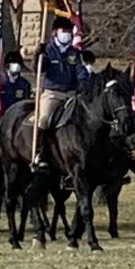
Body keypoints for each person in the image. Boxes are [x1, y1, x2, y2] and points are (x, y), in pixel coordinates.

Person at [34, 17, 88, 169]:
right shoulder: (48, 50)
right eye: (64, 31)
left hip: (71, 94)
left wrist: (83, 81)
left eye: (70, 32)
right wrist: (38, 56)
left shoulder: (74, 53)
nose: (68, 34)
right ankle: (39, 152)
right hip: (52, 93)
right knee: (43, 119)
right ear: (55, 33)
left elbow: (81, 71)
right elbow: (38, 69)